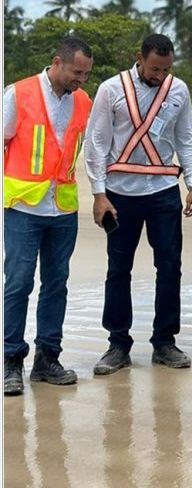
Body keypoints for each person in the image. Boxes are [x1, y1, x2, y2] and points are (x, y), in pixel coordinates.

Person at [84, 34, 192, 375]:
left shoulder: (178, 89)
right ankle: (117, 343)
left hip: (164, 190)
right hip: (120, 193)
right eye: (154, 69)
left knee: (170, 266)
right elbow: (97, 141)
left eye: (166, 69)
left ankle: (164, 341)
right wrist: (98, 193)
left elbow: (187, 136)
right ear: (139, 57)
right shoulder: (111, 89)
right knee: (118, 269)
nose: (160, 76)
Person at [3, 37, 94, 396]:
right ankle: (12, 361)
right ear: (57, 62)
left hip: (64, 207)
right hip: (24, 208)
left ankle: (47, 359)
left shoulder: (83, 101)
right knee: (19, 283)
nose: (81, 80)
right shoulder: (19, 93)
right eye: (76, 72)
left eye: (86, 74)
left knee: (56, 284)